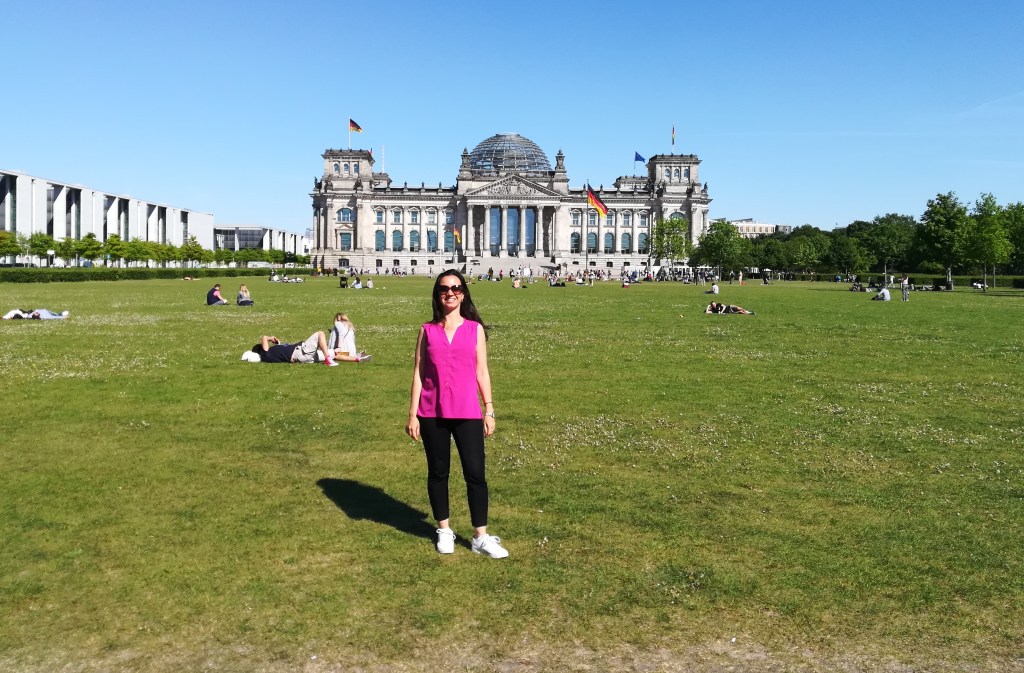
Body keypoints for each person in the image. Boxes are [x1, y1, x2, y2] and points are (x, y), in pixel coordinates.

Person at [405, 270, 507, 559]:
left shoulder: (475, 330)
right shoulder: (427, 330)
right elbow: (418, 373)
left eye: (456, 288)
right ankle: (444, 530)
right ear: (437, 294)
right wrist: (412, 414)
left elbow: (482, 372)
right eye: (444, 289)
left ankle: (480, 536)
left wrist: (489, 409)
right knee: (438, 472)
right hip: (431, 411)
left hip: (467, 411)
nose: (450, 293)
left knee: (475, 474)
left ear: (463, 293)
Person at [246, 332, 338, 366]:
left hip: (302, 356)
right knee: (320, 334)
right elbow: (264, 338)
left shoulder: (271, 354)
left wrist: (277, 344)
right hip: (301, 353)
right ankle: (327, 359)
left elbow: (282, 351)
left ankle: (332, 358)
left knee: (333, 353)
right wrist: (270, 338)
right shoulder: (266, 354)